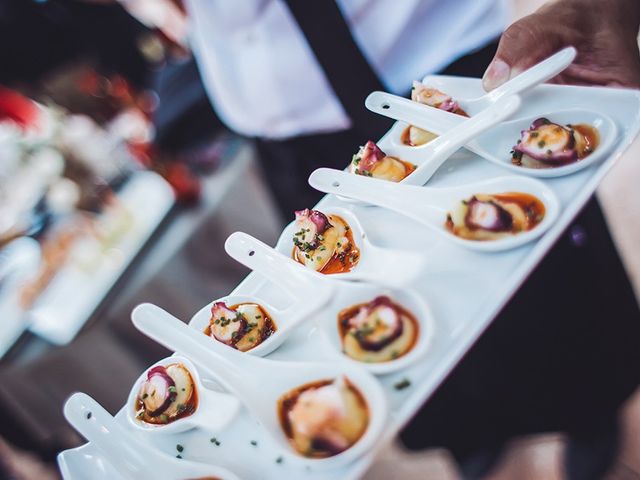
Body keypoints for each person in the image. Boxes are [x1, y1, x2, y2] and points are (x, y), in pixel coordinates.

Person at [183, 1, 640, 478]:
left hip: (431, 48)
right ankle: (473, 433)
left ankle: (589, 406)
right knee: (372, 292)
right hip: (280, 107)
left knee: (523, 246)